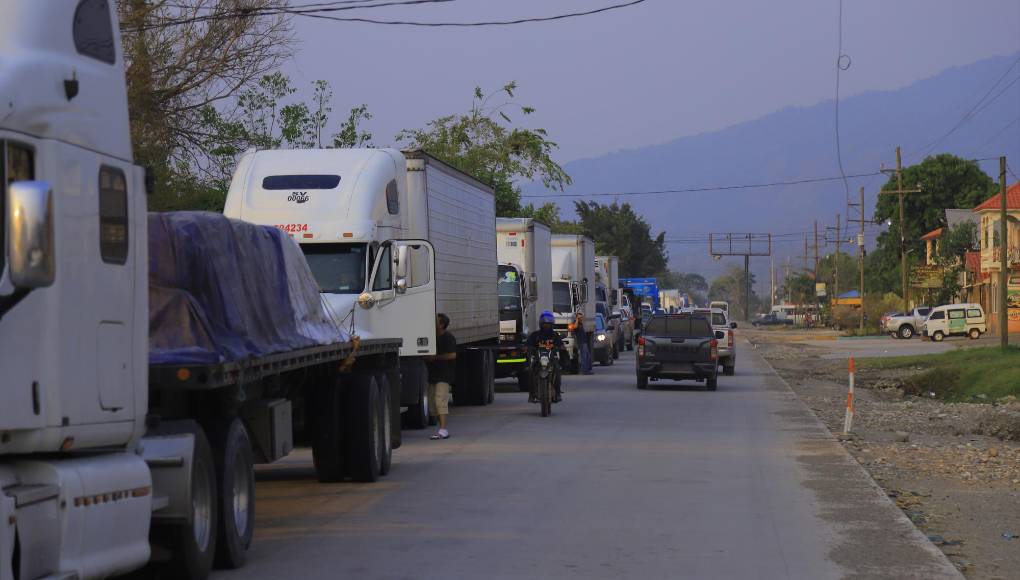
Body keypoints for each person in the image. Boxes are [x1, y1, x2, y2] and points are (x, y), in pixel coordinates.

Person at [426, 313, 456, 440]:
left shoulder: (448, 337)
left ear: (441, 325)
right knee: (432, 405)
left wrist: (436, 357)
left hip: (444, 375)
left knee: (440, 401)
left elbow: (452, 355)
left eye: (436, 321)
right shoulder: (431, 337)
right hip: (432, 375)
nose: (433, 322)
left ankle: (444, 430)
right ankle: (441, 428)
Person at [526, 310, 567, 403]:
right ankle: (532, 394)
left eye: (548, 324)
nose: (547, 326)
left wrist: (561, 347)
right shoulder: (535, 335)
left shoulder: (555, 335)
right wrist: (527, 347)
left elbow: (560, 345)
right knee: (531, 371)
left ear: (552, 324)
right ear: (541, 324)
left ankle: (557, 392)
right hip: (538, 359)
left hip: (551, 359)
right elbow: (529, 343)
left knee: (557, 370)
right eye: (545, 324)